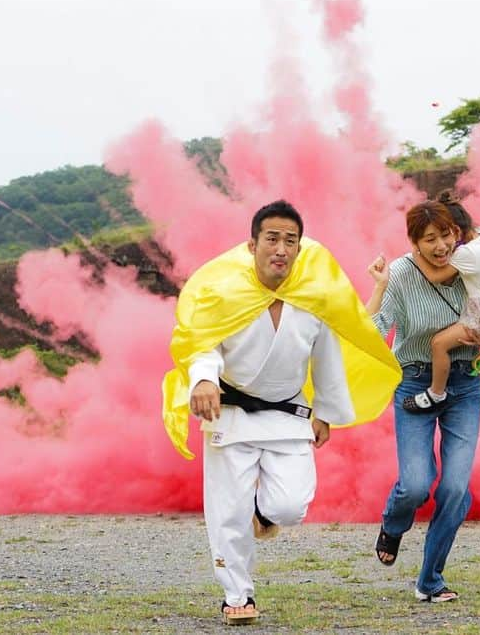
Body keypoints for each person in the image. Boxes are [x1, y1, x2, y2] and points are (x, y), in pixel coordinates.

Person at [162, 200, 400, 625]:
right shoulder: (224, 293)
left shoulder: (313, 299)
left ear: (299, 247)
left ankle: (263, 515)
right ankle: (237, 593)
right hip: (230, 415)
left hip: (288, 416)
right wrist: (202, 380)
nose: (281, 249)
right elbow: (201, 342)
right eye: (272, 239)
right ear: (252, 244)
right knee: (228, 509)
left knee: (291, 505)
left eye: (291, 240)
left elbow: (327, 357)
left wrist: (324, 410)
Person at [364, 200, 480, 603]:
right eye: (430, 239)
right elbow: (372, 331)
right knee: (416, 485)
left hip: (464, 384)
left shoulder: (471, 266)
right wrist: (379, 287)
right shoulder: (401, 274)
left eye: (447, 235)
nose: (441, 245)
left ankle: (430, 579)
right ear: (414, 242)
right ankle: (394, 524)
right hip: (414, 380)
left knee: (455, 487)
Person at [404, 190, 480, 413]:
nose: (443, 244)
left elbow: (435, 276)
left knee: (438, 343)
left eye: (444, 235)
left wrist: (416, 252)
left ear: (455, 230)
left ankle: (435, 393)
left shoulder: (468, 254)